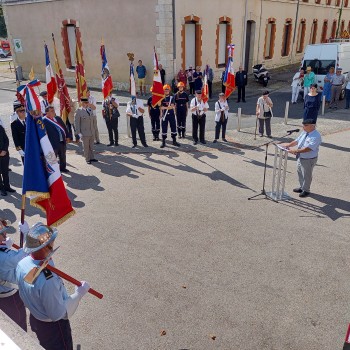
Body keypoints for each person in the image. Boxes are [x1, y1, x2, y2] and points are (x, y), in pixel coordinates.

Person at [16, 222, 90, 350]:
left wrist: (28, 234)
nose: (53, 243)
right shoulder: (47, 280)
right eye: (51, 242)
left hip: (36, 318)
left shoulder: (23, 263)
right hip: (54, 329)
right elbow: (58, 314)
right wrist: (79, 294)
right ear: (45, 247)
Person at [280, 119, 322, 198]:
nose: (303, 127)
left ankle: (306, 190)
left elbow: (308, 148)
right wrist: (288, 145)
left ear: (313, 126)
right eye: (303, 125)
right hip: (301, 156)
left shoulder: (316, 136)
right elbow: (297, 141)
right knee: (300, 172)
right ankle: (302, 187)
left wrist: (296, 150)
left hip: (309, 158)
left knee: (307, 175)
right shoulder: (304, 132)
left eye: (306, 125)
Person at [0, 218, 28, 331]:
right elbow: (26, 255)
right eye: (2, 233)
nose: (5, 233)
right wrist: (27, 233)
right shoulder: (5, 256)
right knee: (20, 329)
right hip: (10, 298)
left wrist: (5, 247)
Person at [43, 106, 69, 173]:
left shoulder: (57, 118)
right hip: (52, 143)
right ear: (47, 112)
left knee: (63, 156)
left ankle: (62, 168)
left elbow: (64, 127)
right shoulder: (44, 120)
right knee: (52, 158)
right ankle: (53, 172)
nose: (54, 112)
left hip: (61, 141)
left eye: (53, 110)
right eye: (51, 111)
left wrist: (68, 136)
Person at [74, 97, 98, 165]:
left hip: (91, 131)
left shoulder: (89, 110)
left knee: (91, 146)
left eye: (87, 102)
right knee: (86, 147)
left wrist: (94, 130)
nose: (86, 104)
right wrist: (78, 133)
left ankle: (92, 157)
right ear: (81, 103)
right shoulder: (78, 111)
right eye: (85, 103)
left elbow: (93, 120)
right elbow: (77, 123)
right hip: (84, 132)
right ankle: (87, 158)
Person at [0, 122, 15, 196]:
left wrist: (5, 150)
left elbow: (6, 140)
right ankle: (1, 188)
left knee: (5, 171)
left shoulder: (0, 127)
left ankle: (7, 186)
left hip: (5, 153)